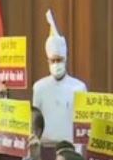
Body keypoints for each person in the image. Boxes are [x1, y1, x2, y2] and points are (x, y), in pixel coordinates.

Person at [32, 11, 87, 143]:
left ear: (65, 60)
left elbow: (83, 123)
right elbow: (35, 120)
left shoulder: (79, 87)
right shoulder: (39, 87)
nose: (56, 64)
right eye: (53, 60)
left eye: (59, 60)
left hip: (70, 147)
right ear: (48, 62)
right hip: (45, 145)